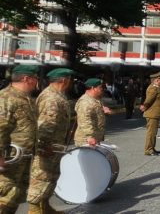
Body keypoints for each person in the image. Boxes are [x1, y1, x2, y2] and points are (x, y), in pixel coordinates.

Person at [28, 68, 76, 214]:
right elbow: (46, 125)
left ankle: (45, 208)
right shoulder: (52, 98)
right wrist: (43, 147)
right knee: (41, 178)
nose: (71, 82)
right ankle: (34, 210)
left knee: (50, 178)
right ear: (63, 80)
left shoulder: (57, 95)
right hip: (47, 147)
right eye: (70, 79)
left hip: (54, 147)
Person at [0, 65, 39, 213]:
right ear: (26, 78)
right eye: (35, 78)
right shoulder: (6, 98)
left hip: (23, 158)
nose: (37, 82)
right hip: (9, 159)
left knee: (15, 196)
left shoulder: (26, 99)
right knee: (5, 195)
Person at [74, 78, 110, 147]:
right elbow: (84, 120)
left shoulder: (96, 100)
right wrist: (89, 137)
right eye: (100, 87)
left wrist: (105, 111)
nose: (102, 89)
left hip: (95, 138)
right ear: (93, 88)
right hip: (86, 140)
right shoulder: (85, 102)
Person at [140, 72, 160, 156]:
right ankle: (148, 150)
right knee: (151, 133)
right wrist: (144, 106)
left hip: (155, 114)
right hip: (152, 114)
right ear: (156, 80)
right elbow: (149, 100)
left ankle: (152, 148)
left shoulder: (158, 88)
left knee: (153, 133)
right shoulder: (153, 88)